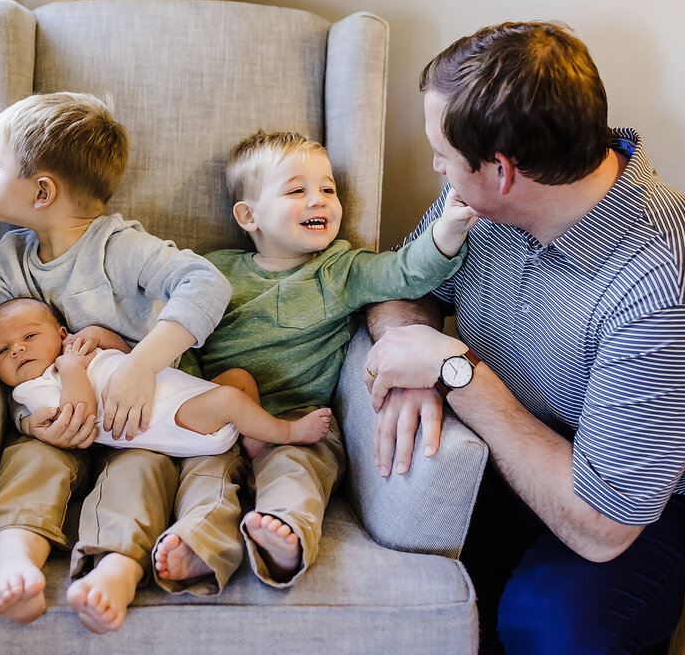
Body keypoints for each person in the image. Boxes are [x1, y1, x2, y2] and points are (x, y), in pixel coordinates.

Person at [363, 21, 685, 655]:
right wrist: (409, 364)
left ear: (503, 169)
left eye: (442, 153)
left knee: (550, 624)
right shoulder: (476, 202)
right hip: (509, 443)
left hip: (639, 504)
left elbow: (604, 524)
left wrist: (457, 372)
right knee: (398, 556)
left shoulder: (672, 283)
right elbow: (398, 285)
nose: (435, 166)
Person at [0, 92, 238, 634]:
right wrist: (30, 422)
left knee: (140, 473)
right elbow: (6, 361)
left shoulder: (118, 247)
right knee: (29, 463)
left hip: (136, 420)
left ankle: (115, 569)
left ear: (42, 190)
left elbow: (206, 283)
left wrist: (141, 363)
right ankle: (16, 564)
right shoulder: (7, 263)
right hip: (59, 421)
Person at [186, 130, 475, 587]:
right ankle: (198, 543)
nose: (319, 200)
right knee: (201, 477)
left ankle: (285, 536)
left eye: (327, 189)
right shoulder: (211, 271)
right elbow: (176, 336)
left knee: (299, 469)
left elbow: (404, 273)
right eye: (297, 190)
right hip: (218, 419)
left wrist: (449, 228)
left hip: (300, 420)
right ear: (249, 216)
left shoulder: (341, 269)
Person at [0, 298, 332, 457]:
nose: (16, 350)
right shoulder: (33, 389)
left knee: (239, 379)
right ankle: (288, 431)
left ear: (61, 333)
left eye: (29, 337)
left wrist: (93, 335)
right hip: (173, 421)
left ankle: (253, 443)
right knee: (230, 400)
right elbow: (81, 414)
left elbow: (123, 353)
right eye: (2, 350)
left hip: (186, 395)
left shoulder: (74, 351)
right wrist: (71, 368)